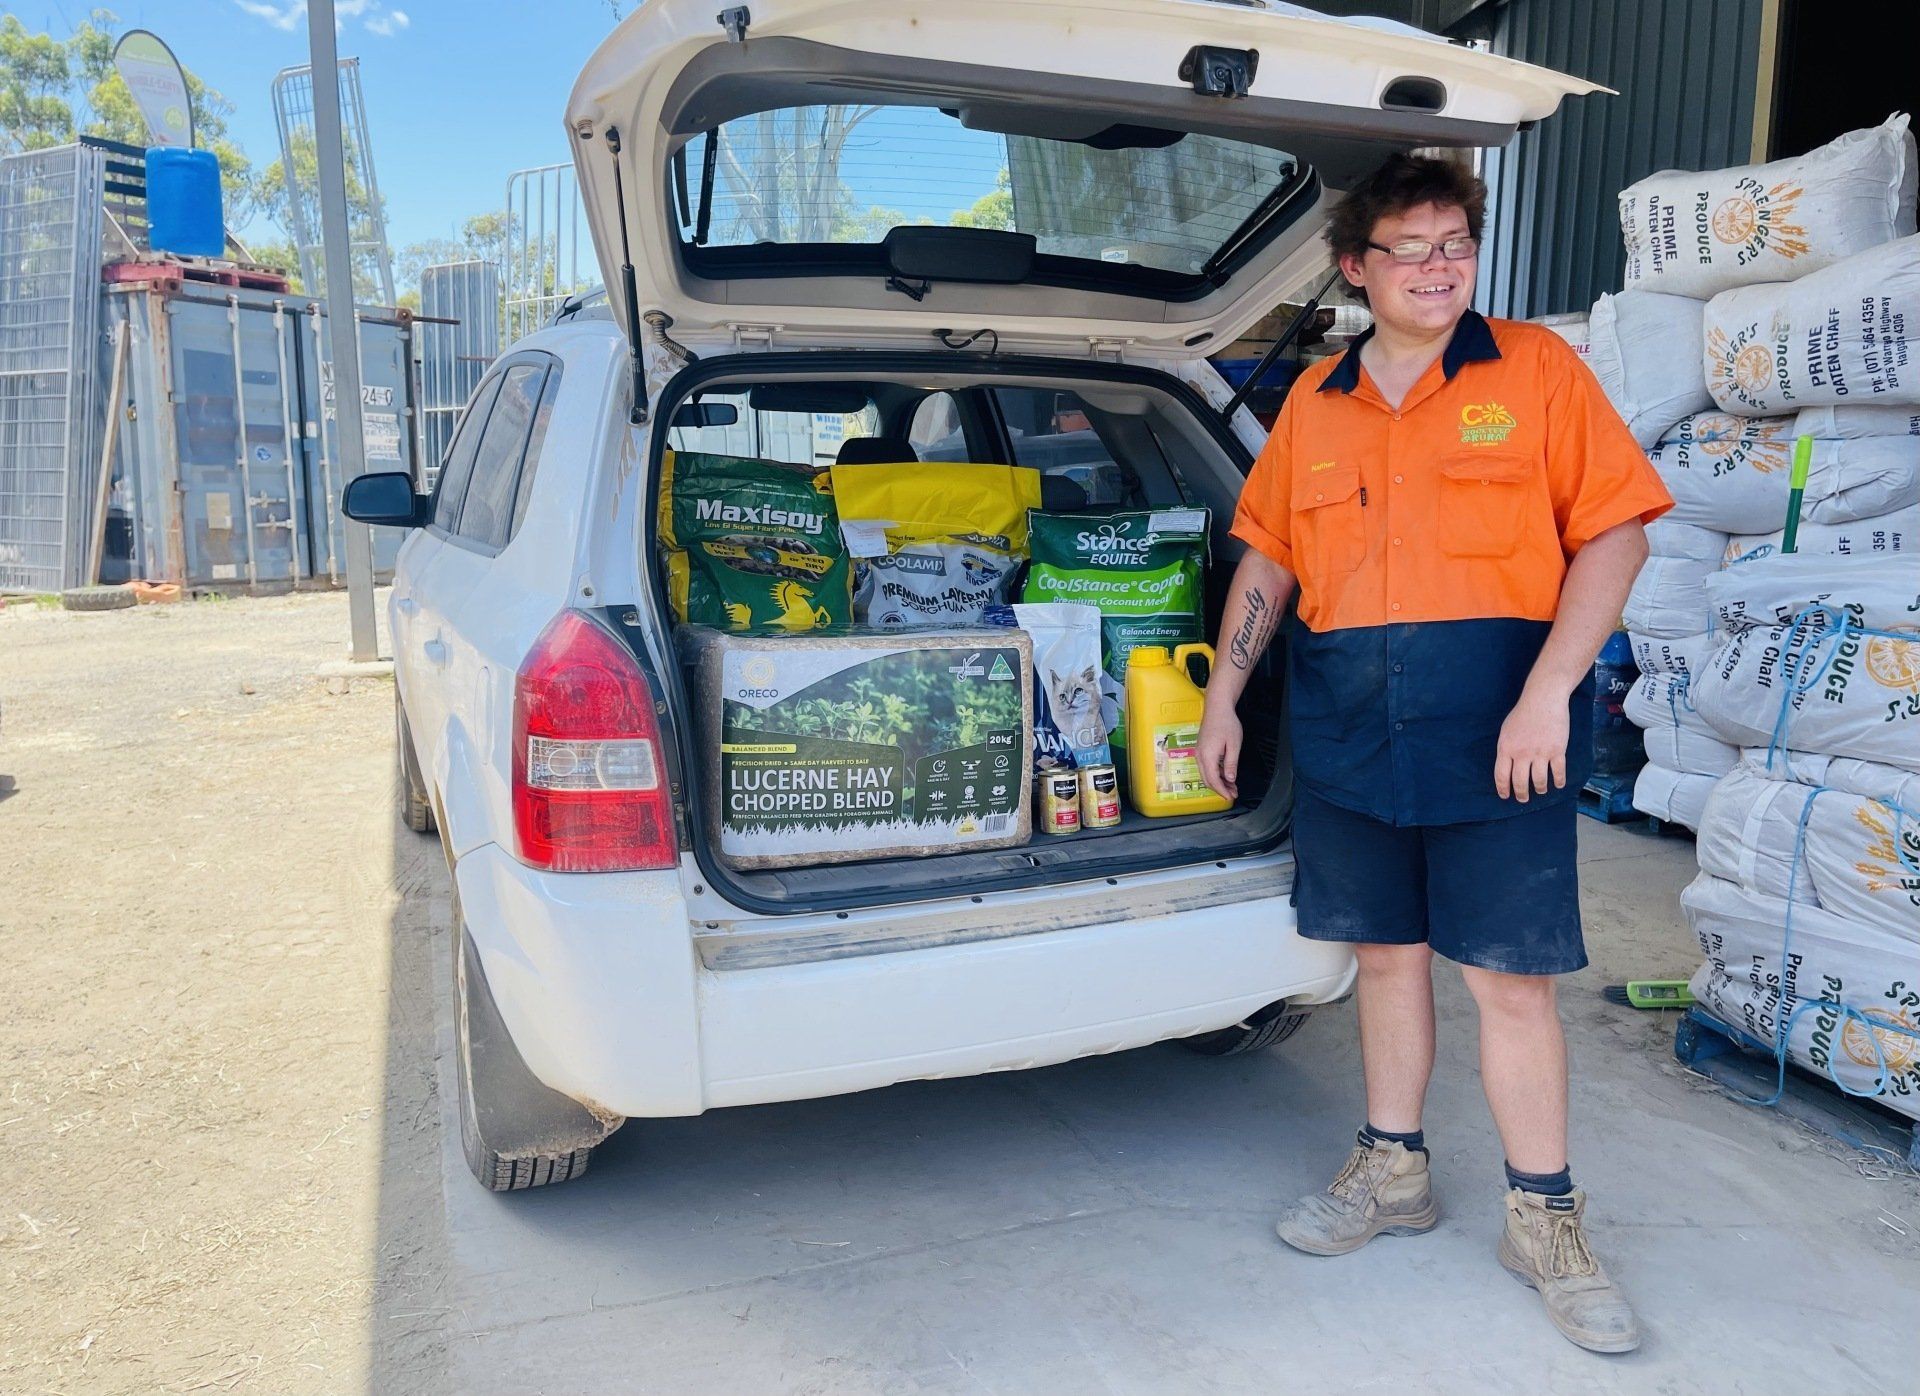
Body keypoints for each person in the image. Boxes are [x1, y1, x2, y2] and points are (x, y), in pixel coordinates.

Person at [1198, 153, 1672, 1354]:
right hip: (1353, 720)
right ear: (1357, 269)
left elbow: (1615, 534)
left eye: (1455, 241)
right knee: (1388, 960)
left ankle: (1546, 1219)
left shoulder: (1537, 371)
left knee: (1511, 980)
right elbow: (1269, 557)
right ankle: (1393, 1172)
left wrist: (1551, 692)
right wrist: (1226, 698)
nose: (1438, 266)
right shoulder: (1315, 402)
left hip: (1498, 724)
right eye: (1410, 247)